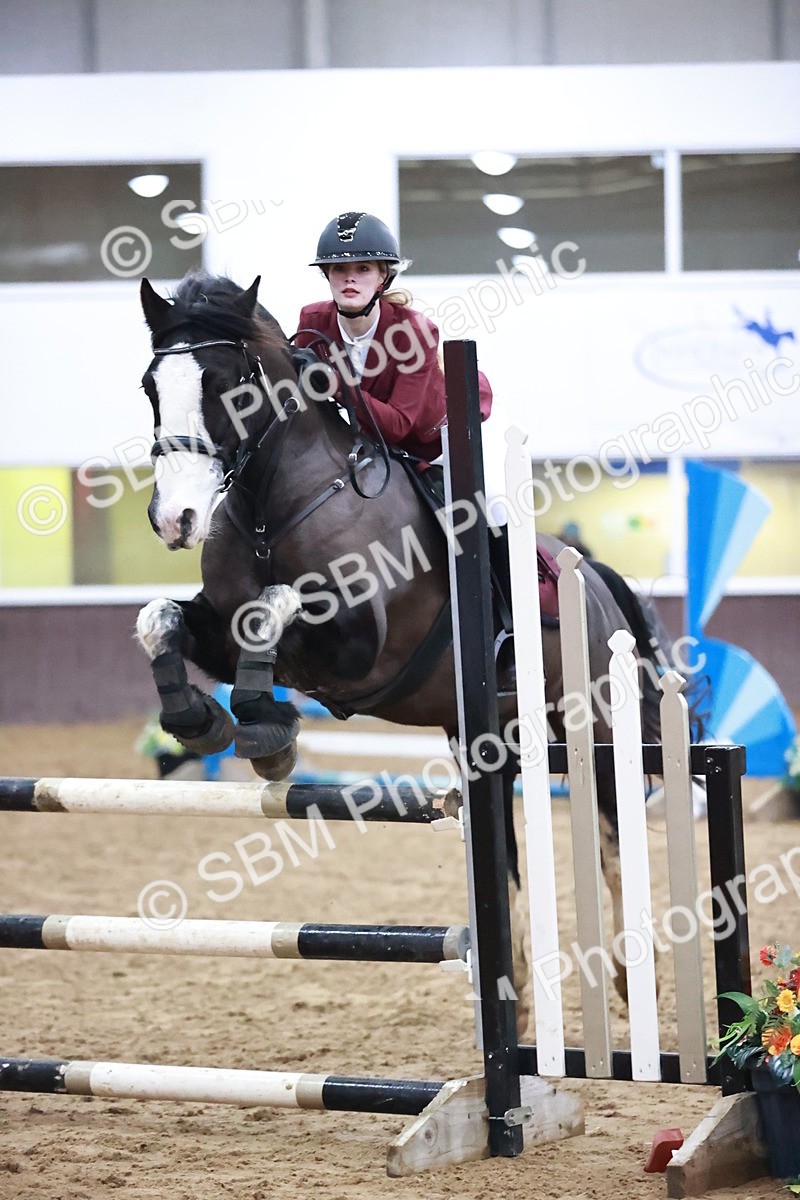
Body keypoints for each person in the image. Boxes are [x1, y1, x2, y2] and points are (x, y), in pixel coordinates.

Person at [293, 211, 492, 466]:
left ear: (383, 277)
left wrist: (337, 383)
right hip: (374, 445)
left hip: (447, 433)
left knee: (491, 502)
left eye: (363, 268)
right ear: (327, 275)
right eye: (339, 268)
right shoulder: (312, 322)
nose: (349, 278)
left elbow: (398, 426)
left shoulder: (416, 331)